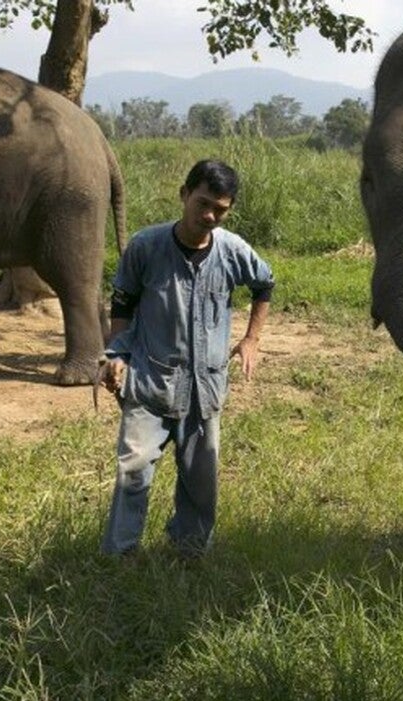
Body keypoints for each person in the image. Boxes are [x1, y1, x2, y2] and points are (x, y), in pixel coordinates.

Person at [98, 159, 275, 558]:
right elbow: (123, 302)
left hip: (205, 388)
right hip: (150, 381)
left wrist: (252, 339)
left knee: (201, 479)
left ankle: (190, 554)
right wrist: (116, 354)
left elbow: (265, 283)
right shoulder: (146, 247)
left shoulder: (232, 251)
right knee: (134, 471)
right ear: (184, 194)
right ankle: (120, 557)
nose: (210, 215)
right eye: (203, 203)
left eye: (221, 209)